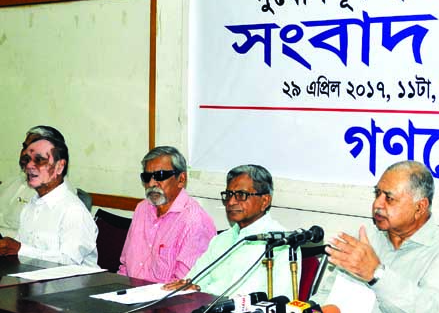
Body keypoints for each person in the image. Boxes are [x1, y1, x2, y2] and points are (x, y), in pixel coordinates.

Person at [314, 160, 439, 313]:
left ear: (420, 207)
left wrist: (377, 274)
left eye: (389, 198)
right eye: (377, 194)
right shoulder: (366, 239)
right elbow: (326, 296)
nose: (377, 205)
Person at [165, 164, 298, 297]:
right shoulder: (221, 240)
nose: (231, 202)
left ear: (265, 201)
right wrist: (189, 287)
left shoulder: (283, 244)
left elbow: (281, 302)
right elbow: (193, 282)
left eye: (241, 195)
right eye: (229, 195)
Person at [0, 126, 97, 266]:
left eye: (39, 160)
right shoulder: (31, 206)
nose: (30, 166)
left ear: (59, 167)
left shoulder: (73, 210)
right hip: (31, 282)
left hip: (72, 284)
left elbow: (70, 263)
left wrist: (20, 250)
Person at [118, 146, 216, 283]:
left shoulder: (194, 221)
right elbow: (125, 267)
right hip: (129, 295)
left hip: (166, 301)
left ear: (181, 179)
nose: (152, 183)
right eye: (146, 177)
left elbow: (183, 286)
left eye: (160, 176)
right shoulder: (142, 209)